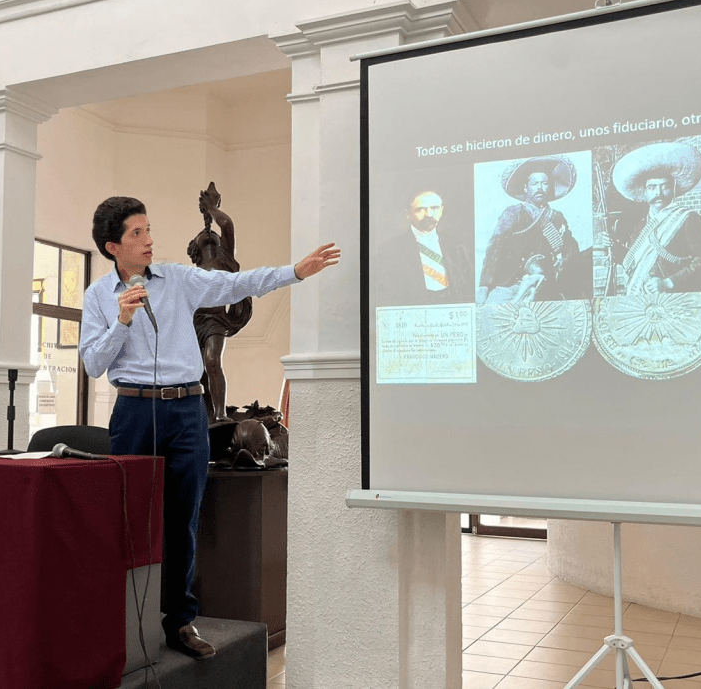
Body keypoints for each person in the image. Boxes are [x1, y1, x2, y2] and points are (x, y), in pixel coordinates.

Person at [79, 196, 338, 661]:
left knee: (184, 519)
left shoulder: (178, 279)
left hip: (186, 411)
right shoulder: (98, 297)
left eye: (148, 229)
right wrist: (122, 320)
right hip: (134, 411)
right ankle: (122, 621)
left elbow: (236, 282)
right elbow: (94, 364)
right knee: (129, 519)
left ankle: (179, 621)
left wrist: (295, 272)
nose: (149, 239)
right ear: (112, 246)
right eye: (137, 233)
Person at [600, 142, 701, 296]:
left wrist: (668, 282)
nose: (659, 193)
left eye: (664, 186)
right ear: (645, 192)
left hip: (676, 297)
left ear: (673, 189)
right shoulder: (642, 223)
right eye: (652, 187)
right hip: (641, 296)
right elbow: (632, 261)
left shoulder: (688, 219)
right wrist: (612, 246)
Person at [477, 155, 589, 303]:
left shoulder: (557, 217)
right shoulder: (513, 213)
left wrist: (561, 264)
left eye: (544, 183)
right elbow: (495, 248)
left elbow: (571, 250)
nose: (540, 188)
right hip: (513, 283)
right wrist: (485, 285)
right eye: (534, 183)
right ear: (526, 187)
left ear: (550, 187)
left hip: (548, 283)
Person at [186, 182, 252, 425]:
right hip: (194, 321)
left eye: (214, 237)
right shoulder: (192, 273)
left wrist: (211, 209)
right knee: (195, 370)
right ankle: (203, 414)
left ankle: (221, 413)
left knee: (212, 361)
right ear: (195, 248)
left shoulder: (225, 259)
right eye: (205, 237)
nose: (211, 236)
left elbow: (227, 225)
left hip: (215, 319)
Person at [375, 189, 473, 305]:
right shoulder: (390, 249)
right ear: (407, 214)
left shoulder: (456, 245)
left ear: (441, 211)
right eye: (420, 209)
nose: (429, 214)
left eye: (435, 208)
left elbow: (467, 287)